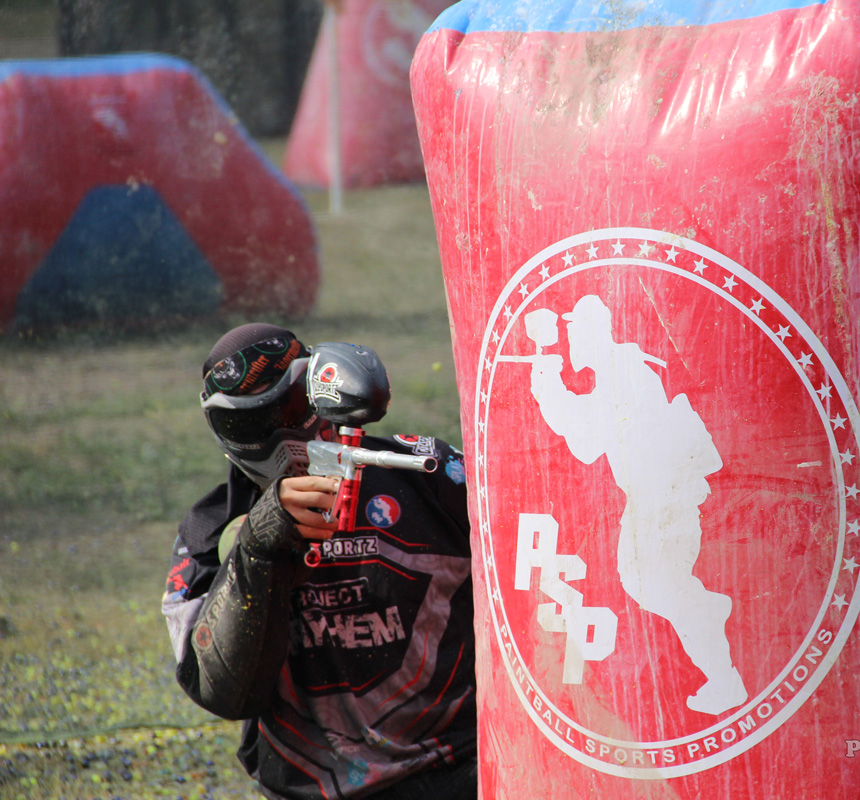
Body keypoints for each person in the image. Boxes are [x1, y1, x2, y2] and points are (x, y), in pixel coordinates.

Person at [161, 323, 476, 800]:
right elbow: (220, 691)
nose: (281, 438)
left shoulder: (426, 476)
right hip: (314, 787)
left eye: (290, 410)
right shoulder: (211, 530)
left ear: (320, 394)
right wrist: (259, 548)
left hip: (461, 771)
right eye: (251, 425)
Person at [524, 295, 747, 716]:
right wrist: (546, 374)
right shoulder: (619, 370)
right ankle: (707, 623)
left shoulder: (624, 372)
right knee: (647, 584)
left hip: (664, 500)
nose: (570, 340)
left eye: (574, 332)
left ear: (594, 333)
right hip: (653, 499)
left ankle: (720, 663)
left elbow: (587, 441)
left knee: (660, 586)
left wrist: (546, 380)